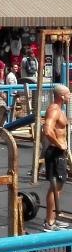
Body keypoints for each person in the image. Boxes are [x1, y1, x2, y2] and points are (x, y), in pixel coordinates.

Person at [41, 84, 71, 231]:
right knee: (54, 189)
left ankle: (53, 218)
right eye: (68, 94)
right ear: (61, 96)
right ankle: (49, 223)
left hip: (58, 153)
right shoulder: (54, 109)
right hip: (55, 152)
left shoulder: (60, 109)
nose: (70, 96)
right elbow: (47, 129)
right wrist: (59, 144)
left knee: (58, 187)